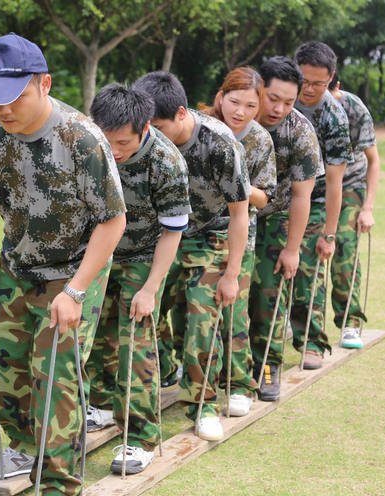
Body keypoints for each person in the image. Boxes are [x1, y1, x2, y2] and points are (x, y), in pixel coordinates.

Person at [0, 33, 126, 495]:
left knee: (55, 377)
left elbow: (112, 223)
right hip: (17, 264)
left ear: (44, 84)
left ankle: (58, 482)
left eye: (13, 98)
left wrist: (75, 291)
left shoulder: (81, 139)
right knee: (10, 368)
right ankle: (22, 448)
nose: (2, 110)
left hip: (75, 269)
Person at [133, 71, 250, 441]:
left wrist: (231, 273)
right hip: (162, 235)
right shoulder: (140, 141)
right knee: (141, 305)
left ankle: (204, 405)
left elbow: (240, 212)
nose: (150, 136)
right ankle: (154, 380)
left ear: (181, 114)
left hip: (209, 235)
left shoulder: (219, 144)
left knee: (201, 319)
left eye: (159, 127)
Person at [85, 83, 191, 474]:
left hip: (145, 254)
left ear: (144, 128)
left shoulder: (166, 161)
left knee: (135, 340)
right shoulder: (89, 146)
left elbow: (172, 232)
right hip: (100, 249)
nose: (114, 150)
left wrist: (150, 289)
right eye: (107, 140)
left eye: (123, 142)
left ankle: (141, 437)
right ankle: (99, 406)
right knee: (95, 333)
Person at [200, 66, 276, 416]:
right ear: (221, 97)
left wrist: (238, 187)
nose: (240, 111)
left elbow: (266, 197)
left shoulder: (259, 140)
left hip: (238, 231)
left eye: (249, 105)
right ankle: (196, 383)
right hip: (196, 233)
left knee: (235, 311)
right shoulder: (202, 127)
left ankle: (240, 384)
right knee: (196, 314)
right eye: (234, 102)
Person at [249, 56, 322, 401]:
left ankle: (267, 365)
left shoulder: (300, 132)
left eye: (288, 102)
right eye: (272, 98)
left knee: (267, 293)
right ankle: (225, 366)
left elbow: (302, 195)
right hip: (231, 214)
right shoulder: (238, 115)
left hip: (276, 216)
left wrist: (292, 249)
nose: (278, 108)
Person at [291, 41, 353, 370]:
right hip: (275, 196)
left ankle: (312, 340)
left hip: (313, 199)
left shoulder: (334, 117)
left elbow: (334, 181)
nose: (310, 89)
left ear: (331, 79)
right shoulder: (276, 98)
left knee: (307, 270)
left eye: (319, 83)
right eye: (305, 81)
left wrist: (329, 235)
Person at [327, 74, 380, 348]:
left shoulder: (353, 108)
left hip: (350, 184)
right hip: (312, 188)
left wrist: (367, 207)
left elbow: (373, 160)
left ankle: (350, 321)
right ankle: (295, 317)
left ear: (336, 86)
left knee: (344, 249)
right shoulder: (297, 105)